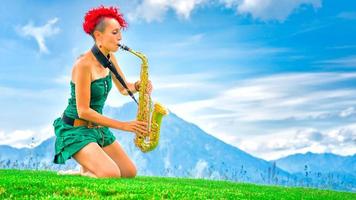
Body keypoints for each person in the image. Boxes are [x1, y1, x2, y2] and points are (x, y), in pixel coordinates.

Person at [53, 5, 152, 178]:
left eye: (120, 32)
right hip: (75, 130)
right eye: (115, 33)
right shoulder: (83, 65)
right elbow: (83, 111)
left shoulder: (109, 57)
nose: (120, 38)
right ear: (98, 36)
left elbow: (123, 88)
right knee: (111, 174)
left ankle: (86, 169)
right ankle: (82, 172)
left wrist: (138, 85)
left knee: (129, 172)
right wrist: (124, 125)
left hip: (97, 129)